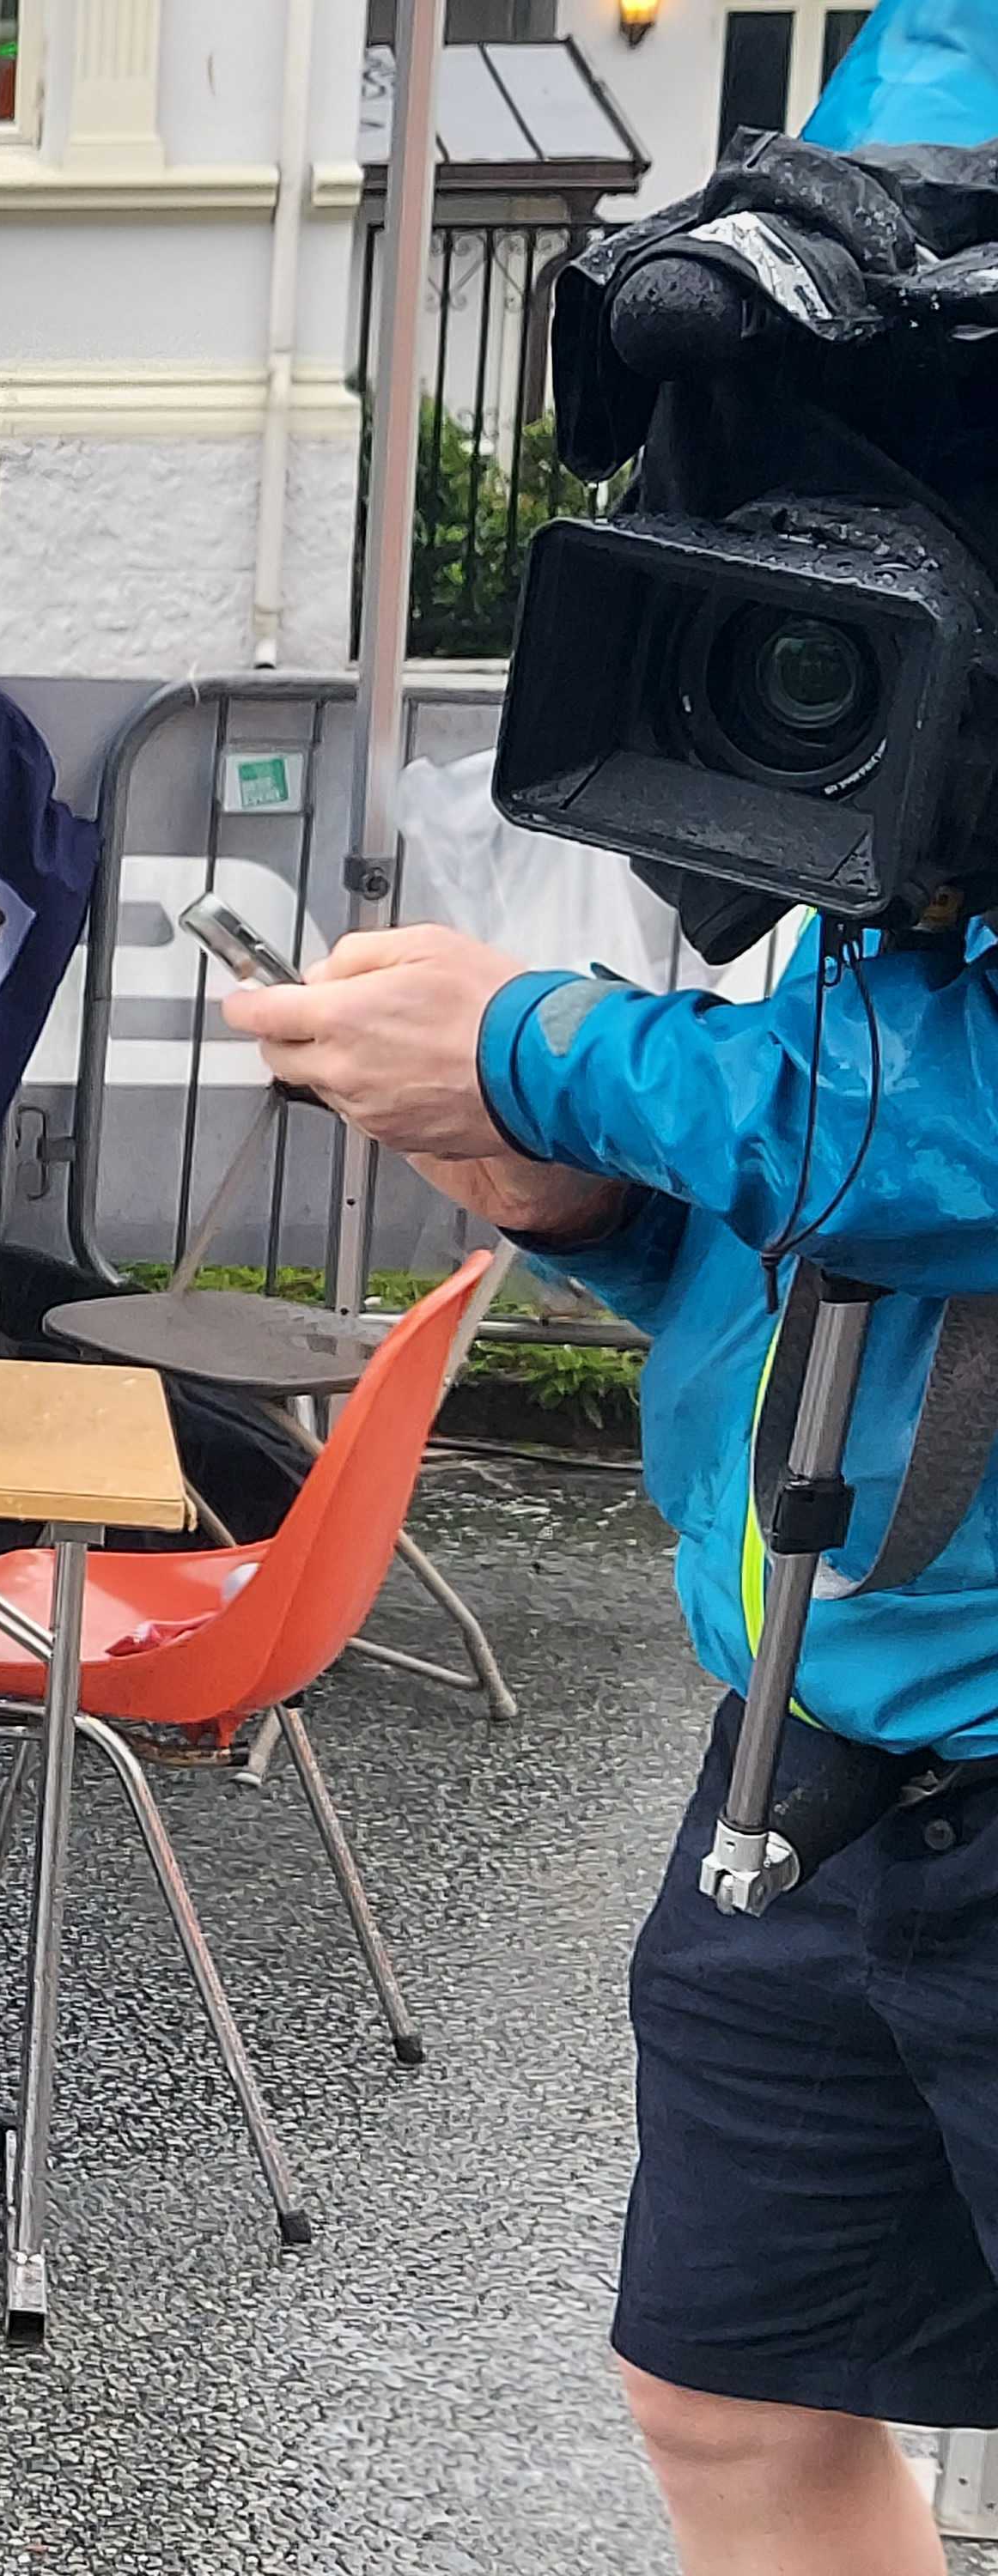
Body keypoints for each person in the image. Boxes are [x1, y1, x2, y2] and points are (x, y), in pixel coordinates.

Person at [224, 923, 998, 2576]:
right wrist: (593, 1207)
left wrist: (533, 1054)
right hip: (809, 1761)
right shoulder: (920, 872)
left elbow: (943, 1132)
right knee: (736, 2398)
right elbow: (852, 1237)